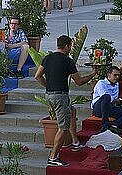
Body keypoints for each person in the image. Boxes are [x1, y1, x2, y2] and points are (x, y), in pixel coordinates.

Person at [35, 35, 96, 167]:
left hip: (49, 95)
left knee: (72, 111)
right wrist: (92, 75)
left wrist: (48, 86)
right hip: (60, 96)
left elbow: (37, 76)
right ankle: (53, 157)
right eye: (70, 46)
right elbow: (79, 82)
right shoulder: (68, 61)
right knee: (63, 128)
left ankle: (75, 142)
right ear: (67, 46)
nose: (71, 49)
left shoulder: (47, 58)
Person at [91, 66, 122, 134]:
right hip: (98, 108)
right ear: (109, 75)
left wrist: (121, 102)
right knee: (106, 97)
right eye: (115, 75)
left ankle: (115, 125)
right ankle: (104, 125)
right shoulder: (101, 83)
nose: (117, 77)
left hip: (110, 107)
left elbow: (115, 99)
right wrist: (120, 100)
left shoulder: (116, 84)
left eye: (118, 75)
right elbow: (106, 97)